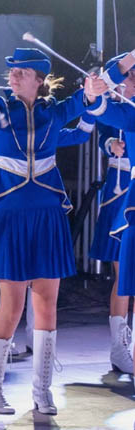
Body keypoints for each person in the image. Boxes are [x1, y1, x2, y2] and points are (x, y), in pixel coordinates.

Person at [0, 48, 105, 415]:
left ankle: (42, 391)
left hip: (49, 216)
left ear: (39, 79)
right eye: (12, 71)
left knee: (47, 304)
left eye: (21, 72)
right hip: (12, 217)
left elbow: (83, 103)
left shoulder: (53, 112)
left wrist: (92, 91)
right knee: (12, 304)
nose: (13, 76)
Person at [91, 52, 135, 375]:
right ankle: (120, 349)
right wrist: (111, 145)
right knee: (124, 276)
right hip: (122, 194)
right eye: (130, 76)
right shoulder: (123, 111)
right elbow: (98, 111)